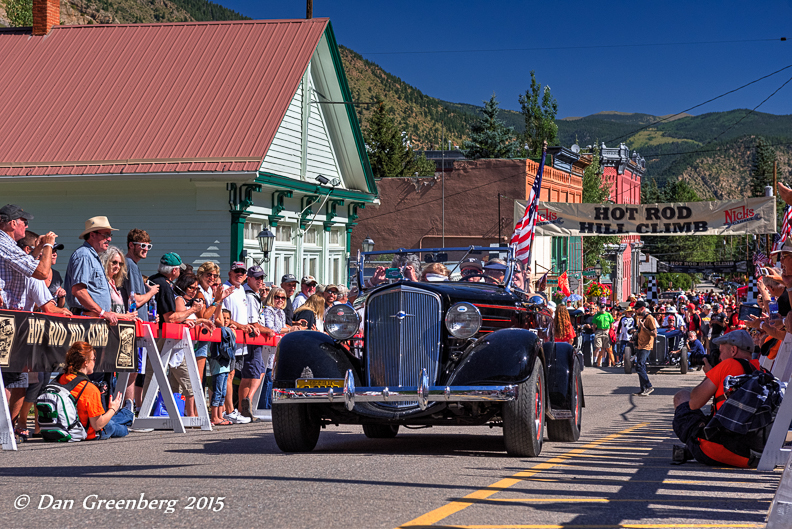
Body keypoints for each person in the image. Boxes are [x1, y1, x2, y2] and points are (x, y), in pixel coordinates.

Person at [672, 330, 763, 467]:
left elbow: (694, 403)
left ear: (733, 350)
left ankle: (693, 448)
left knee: (681, 396)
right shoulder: (760, 370)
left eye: (720, 352)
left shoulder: (728, 365)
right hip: (750, 455)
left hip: (716, 451)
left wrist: (710, 375)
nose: (719, 357)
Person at [58, 341, 135, 440]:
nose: (95, 362)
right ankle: (127, 415)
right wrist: (113, 408)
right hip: (89, 432)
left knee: (111, 420)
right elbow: (98, 425)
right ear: (85, 363)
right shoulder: (89, 389)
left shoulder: (60, 379)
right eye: (94, 359)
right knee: (121, 429)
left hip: (66, 427)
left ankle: (127, 414)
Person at [173, 272, 221, 416]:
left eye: (195, 288)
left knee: (178, 384)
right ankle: (191, 415)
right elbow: (179, 319)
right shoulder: (179, 299)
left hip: (187, 348)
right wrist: (195, 311)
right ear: (182, 287)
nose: (194, 291)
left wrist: (201, 321)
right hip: (178, 348)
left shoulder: (188, 302)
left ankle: (180, 413)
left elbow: (190, 320)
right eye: (191, 288)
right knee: (190, 382)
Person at [221, 262, 258, 424]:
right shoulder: (225, 288)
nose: (240, 274)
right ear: (230, 273)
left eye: (242, 272)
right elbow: (225, 317)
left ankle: (228, 410)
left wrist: (246, 326)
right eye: (237, 271)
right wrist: (242, 326)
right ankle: (228, 410)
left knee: (232, 375)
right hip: (228, 338)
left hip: (240, 340)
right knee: (226, 375)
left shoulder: (241, 289)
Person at [64, 216, 118, 323]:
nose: (109, 239)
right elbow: (78, 291)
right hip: (86, 320)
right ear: (92, 235)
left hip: (93, 319)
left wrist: (105, 312)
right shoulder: (84, 255)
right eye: (106, 235)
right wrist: (102, 312)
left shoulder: (92, 256)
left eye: (110, 235)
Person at [240, 265, 275, 419]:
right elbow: (254, 322)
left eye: (262, 277)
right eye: (257, 278)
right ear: (249, 278)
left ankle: (247, 405)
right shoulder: (249, 295)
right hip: (252, 339)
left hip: (254, 339)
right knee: (255, 372)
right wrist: (269, 330)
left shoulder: (253, 295)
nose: (261, 281)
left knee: (254, 372)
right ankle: (246, 402)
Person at [120, 229, 159, 322]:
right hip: (134, 326)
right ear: (131, 245)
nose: (146, 249)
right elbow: (135, 301)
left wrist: (148, 316)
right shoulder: (131, 266)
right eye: (142, 245)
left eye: (148, 246)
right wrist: (151, 292)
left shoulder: (129, 264)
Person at [98, 246, 138, 320]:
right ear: (105, 261)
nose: (118, 266)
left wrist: (130, 317)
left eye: (120, 264)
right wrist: (126, 316)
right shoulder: (102, 283)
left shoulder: (113, 283)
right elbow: (104, 312)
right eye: (114, 262)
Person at [633, 300, 657, 396]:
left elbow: (654, 334)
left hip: (646, 346)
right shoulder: (640, 318)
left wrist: (644, 328)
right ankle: (643, 388)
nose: (635, 311)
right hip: (640, 345)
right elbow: (640, 332)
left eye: (637, 309)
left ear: (642, 308)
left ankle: (648, 386)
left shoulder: (650, 318)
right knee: (640, 366)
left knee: (639, 365)